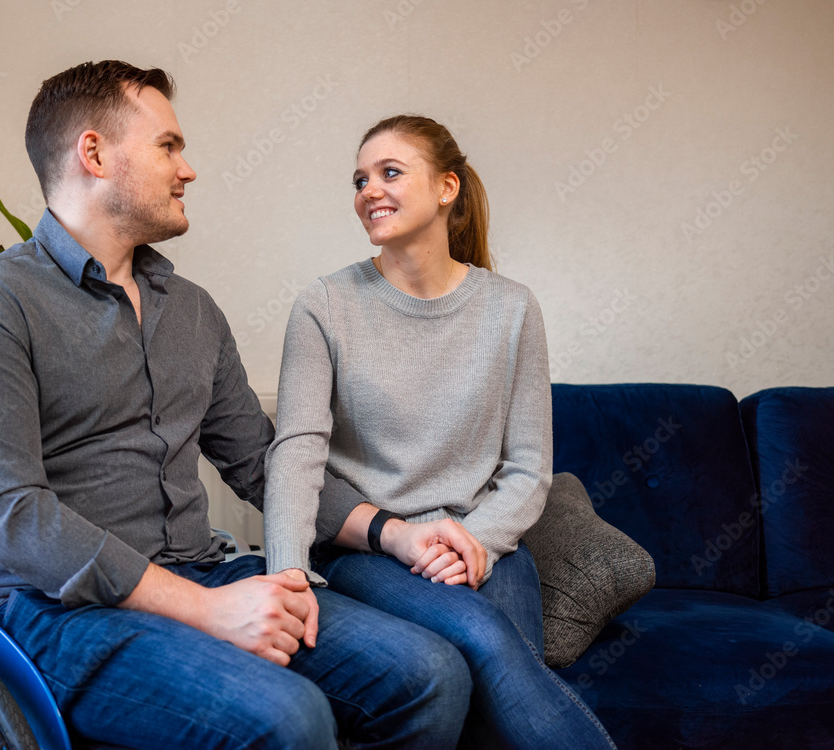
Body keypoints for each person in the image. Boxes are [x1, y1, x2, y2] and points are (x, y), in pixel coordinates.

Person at [0, 63, 472, 749]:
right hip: (54, 612)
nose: (189, 170)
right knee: (290, 719)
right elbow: (11, 519)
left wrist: (397, 532)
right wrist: (207, 611)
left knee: (430, 675)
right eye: (168, 146)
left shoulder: (193, 312)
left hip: (203, 569)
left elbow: (266, 466)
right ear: (94, 154)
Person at [264, 114, 618, 749]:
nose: (369, 190)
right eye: (359, 179)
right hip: (368, 550)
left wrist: (470, 543)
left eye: (390, 172)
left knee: (495, 682)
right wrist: (288, 574)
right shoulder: (324, 305)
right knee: (485, 638)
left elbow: (528, 468)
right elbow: (297, 453)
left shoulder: (512, 308)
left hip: (481, 545)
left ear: (447, 187)